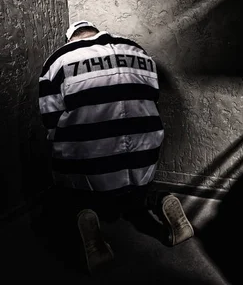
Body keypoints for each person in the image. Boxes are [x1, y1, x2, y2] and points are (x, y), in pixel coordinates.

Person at [38, 20, 193, 273]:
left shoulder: (59, 59)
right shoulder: (137, 50)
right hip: (144, 149)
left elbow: (50, 117)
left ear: (72, 39)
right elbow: (152, 97)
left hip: (91, 156)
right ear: (95, 31)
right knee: (137, 187)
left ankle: (86, 217)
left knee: (73, 186)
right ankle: (160, 198)